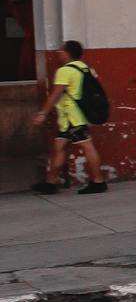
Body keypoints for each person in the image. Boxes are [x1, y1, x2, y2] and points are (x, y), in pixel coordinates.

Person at [32, 40, 107, 194]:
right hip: (72, 117)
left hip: (73, 117)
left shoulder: (64, 71)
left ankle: (98, 181)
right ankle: (50, 183)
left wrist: (42, 113)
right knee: (59, 147)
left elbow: (56, 94)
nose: (58, 53)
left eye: (60, 51)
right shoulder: (86, 68)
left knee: (87, 146)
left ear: (67, 53)